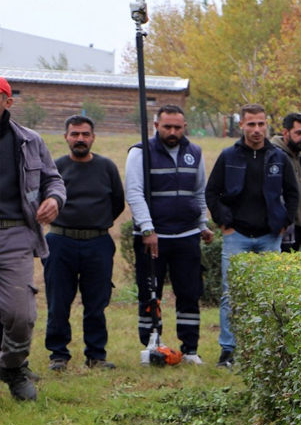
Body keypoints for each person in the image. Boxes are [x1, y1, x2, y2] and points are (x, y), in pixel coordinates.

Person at [206, 104, 299, 368]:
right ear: (242, 126)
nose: (256, 130)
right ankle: (229, 350)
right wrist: (224, 221)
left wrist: (284, 223)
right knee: (230, 295)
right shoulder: (228, 156)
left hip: (270, 237)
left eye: (261, 124)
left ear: (266, 126)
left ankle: (267, 349)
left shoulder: (279, 157)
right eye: (251, 125)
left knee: (270, 296)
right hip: (237, 236)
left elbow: (293, 194)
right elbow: (212, 192)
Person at [126, 104, 214, 365]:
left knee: (189, 293)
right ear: (156, 126)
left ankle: (190, 349)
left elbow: (199, 192)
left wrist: (202, 224)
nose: (173, 131)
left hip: (186, 236)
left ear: (184, 127)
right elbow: (134, 192)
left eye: (177, 127)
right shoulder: (140, 152)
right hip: (152, 237)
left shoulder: (194, 152)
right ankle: (153, 342)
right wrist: (147, 228)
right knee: (150, 293)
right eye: (167, 126)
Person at [0, 77, 65, 400]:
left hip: (15, 233)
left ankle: (12, 366)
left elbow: (54, 179)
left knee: (20, 315)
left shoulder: (29, 141)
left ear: (7, 102)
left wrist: (54, 199)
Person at [44, 116, 124, 371]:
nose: (80, 139)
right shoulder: (55, 168)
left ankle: (96, 356)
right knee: (58, 301)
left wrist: (95, 225)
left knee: (96, 303)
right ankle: (58, 355)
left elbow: (118, 204)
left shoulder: (106, 167)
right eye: (75, 134)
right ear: (65, 136)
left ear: (93, 138)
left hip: (97, 243)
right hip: (60, 242)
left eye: (85, 134)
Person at [271, 112, 301, 251]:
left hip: (299, 231)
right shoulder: (273, 156)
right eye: (299, 133)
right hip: (279, 231)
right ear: (286, 133)